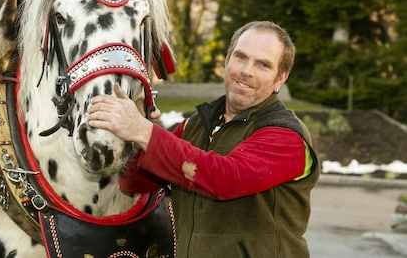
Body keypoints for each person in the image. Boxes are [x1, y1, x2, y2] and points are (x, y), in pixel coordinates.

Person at [88, 20, 319, 257]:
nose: (247, 71)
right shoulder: (195, 125)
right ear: (227, 60)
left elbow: (225, 178)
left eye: (262, 65)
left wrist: (142, 130)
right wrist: (134, 139)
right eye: (240, 57)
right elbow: (135, 184)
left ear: (280, 78)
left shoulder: (287, 136)